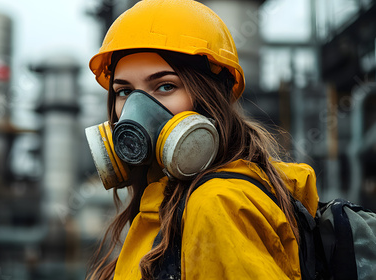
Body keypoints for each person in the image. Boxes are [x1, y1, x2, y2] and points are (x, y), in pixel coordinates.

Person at [84, 0, 319, 279]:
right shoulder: (168, 201)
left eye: (165, 86)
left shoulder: (216, 204)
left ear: (209, 98)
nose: (135, 110)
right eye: (124, 92)